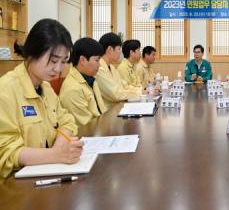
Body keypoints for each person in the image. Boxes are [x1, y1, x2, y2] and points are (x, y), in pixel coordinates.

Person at [0, 19, 82, 179]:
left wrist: (60, 143)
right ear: (32, 52)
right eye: (53, 61)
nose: (58, 69)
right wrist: (55, 155)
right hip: (13, 188)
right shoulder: (5, 91)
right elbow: (6, 152)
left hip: (44, 175)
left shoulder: (46, 88)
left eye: (63, 62)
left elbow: (66, 119)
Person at [59, 37, 107, 125]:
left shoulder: (90, 79)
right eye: (97, 60)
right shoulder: (72, 89)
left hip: (101, 129)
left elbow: (101, 111)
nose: (100, 65)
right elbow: (87, 125)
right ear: (83, 60)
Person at [96, 33, 142, 110]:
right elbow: (115, 94)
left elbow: (124, 86)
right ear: (110, 49)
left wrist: (142, 91)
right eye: (119, 49)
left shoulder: (112, 67)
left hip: (119, 108)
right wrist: (139, 93)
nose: (121, 52)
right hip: (109, 113)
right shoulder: (99, 69)